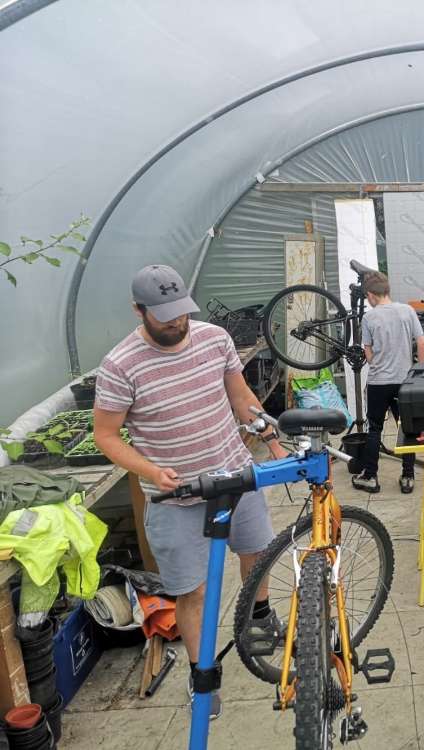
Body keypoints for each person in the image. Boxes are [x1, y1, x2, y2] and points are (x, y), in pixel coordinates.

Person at [92, 264, 287, 720]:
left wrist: (273, 442)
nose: (176, 323)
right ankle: (204, 677)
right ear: (138, 310)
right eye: (164, 316)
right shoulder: (120, 365)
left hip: (236, 476)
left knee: (256, 553)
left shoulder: (213, 338)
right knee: (192, 590)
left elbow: (241, 398)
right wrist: (151, 469)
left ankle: (259, 616)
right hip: (175, 495)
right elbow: (106, 435)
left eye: (181, 313)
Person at [351, 271, 424, 494]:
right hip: (404, 381)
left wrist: (376, 362)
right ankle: (408, 477)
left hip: (378, 382)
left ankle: (371, 477)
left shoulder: (369, 317)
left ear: (371, 295)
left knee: (375, 428)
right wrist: (418, 370)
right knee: (407, 428)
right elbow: (421, 342)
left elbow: (367, 349)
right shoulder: (407, 310)